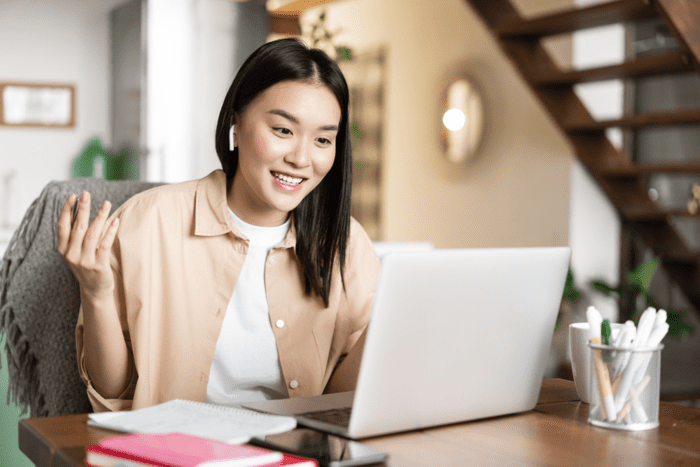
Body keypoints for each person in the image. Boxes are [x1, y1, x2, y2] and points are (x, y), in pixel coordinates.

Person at [57, 38, 380, 412]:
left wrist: (388, 331)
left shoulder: (346, 245)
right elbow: (111, 390)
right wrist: (95, 293)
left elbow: (336, 404)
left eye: (323, 139)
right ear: (236, 123)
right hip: (175, 449)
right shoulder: (147, 223)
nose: (301, 158)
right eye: (283, 131)